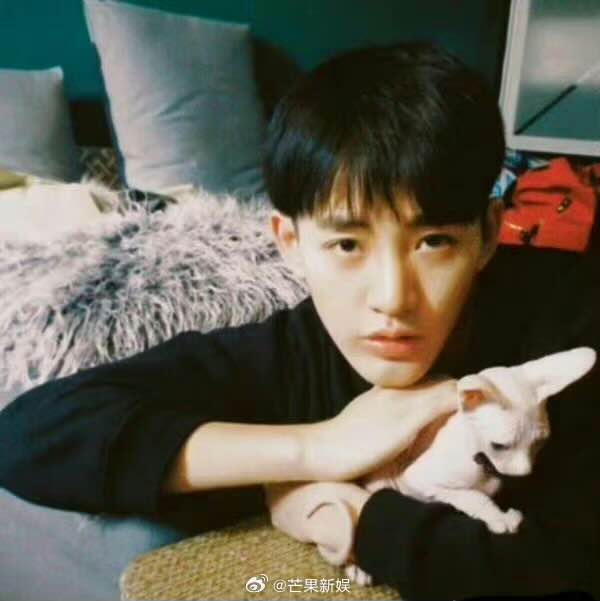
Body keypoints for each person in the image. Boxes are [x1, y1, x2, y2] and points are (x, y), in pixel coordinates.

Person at [1, 42, 599, 601]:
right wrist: (316, 448)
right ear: (290, 242)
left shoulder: (569, 324)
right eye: (347, 245)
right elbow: (31, 435)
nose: (393, 298)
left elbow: (565, 560)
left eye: (434, 241)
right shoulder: (290, 352)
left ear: (488, 234)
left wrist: (350, 521)